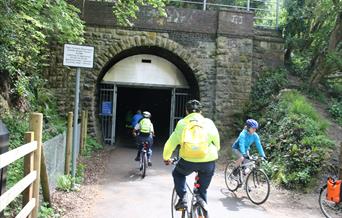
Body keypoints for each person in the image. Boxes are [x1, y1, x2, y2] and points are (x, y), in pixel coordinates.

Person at [163, 100, 220, 211]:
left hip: (188, 161)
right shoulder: (208, 122)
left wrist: (166, 158)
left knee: (178, 174)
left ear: (186, 111)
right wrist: (214, 151)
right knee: (202, 190)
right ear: (201, 111)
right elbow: (216, 142)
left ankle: (183, 198)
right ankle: (201, 202)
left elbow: (170, 143)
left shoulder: (182, 123)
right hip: (208, 162)